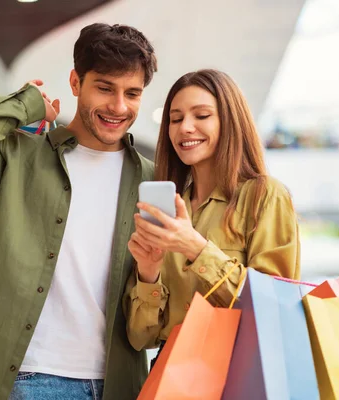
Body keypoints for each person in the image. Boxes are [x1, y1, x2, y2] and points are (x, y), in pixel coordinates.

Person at [0, 23, 157, 400]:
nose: (119, 106)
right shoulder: (22, 158)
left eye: (133, 93)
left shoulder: (153, 180)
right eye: (105, 88)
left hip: (120, 383)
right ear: (76, 82)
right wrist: (24, 104)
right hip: (31, 378)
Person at [123, 69, 300, 358]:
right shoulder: (171, 210)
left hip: (237, 373)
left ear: (230, 122)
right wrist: (149, 272)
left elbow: (275, 306)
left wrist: (195, 248)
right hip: (172, 375)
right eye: (176, 119)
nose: (185, 128)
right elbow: (141, 337)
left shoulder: (264, 196)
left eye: (201, 116)